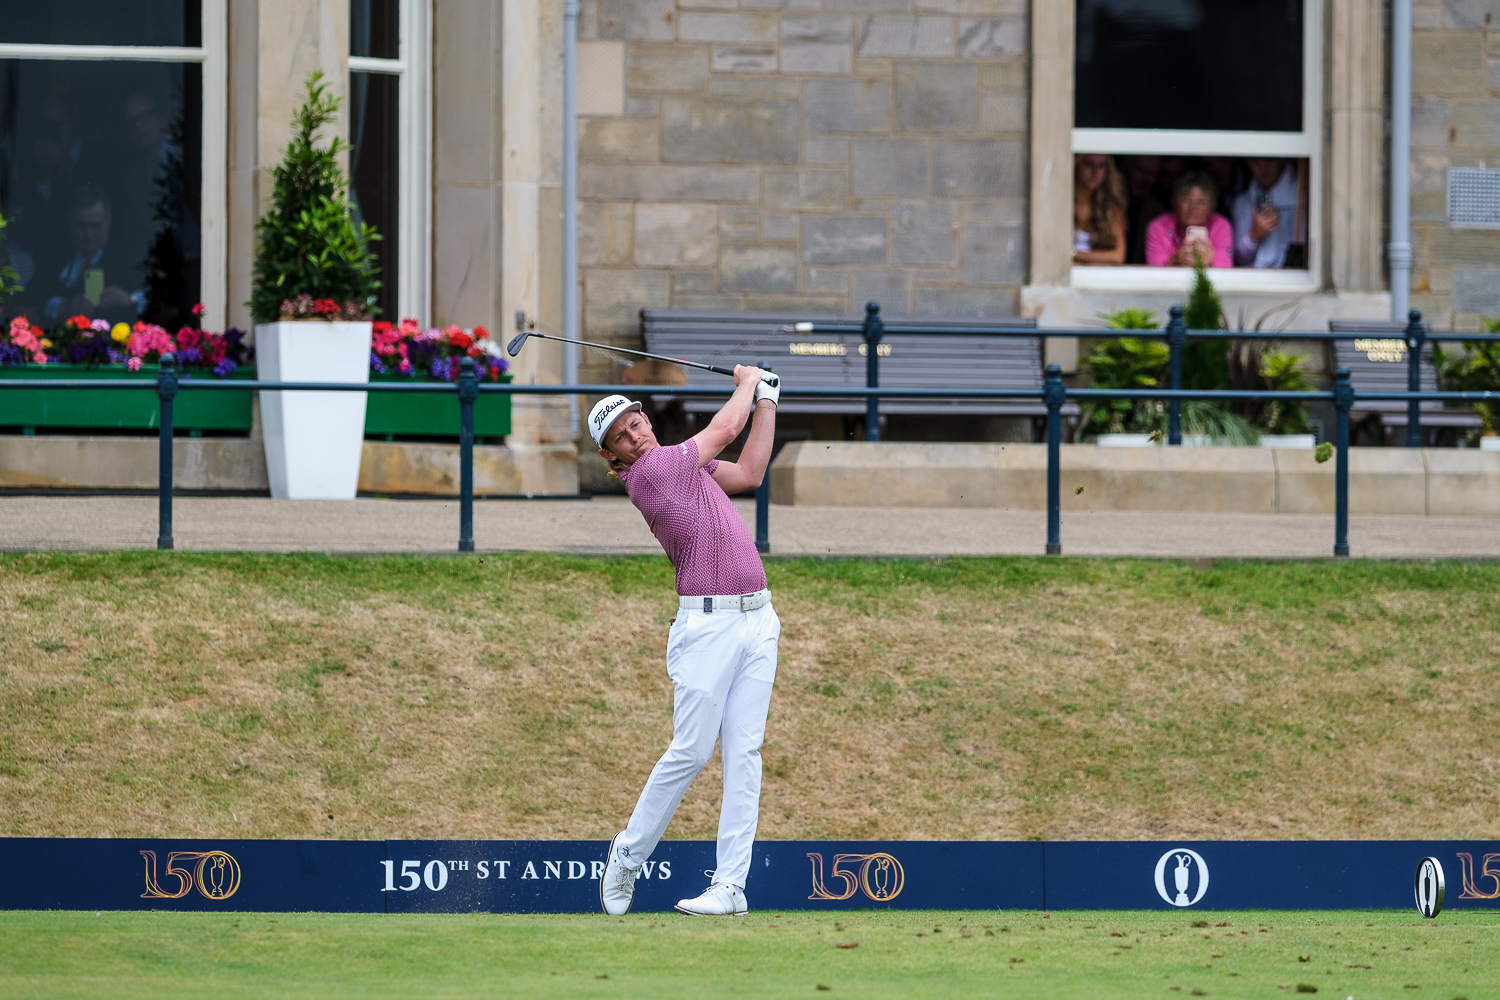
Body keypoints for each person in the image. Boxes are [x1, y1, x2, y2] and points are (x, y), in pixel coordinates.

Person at [595, 365, 782, 918]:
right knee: (693, 751)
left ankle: (730, 886)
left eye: (635, 423)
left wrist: (766, 402)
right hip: (706, 627)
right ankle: (628, 854)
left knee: (744, 754)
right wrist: (748, 381)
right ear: (614, 458)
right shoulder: (653, 471)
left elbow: (749, 471)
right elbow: (725, 429)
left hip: (757, 617)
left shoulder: (684, 464)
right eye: (621, 437)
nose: (635, 435)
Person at [41, 186, 139, 321]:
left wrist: (130, 299)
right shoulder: (56, 255)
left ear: (108, 223)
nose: (89, 235)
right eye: (81, 226)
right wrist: (65, 307)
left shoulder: (129, 257)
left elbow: (157, 298)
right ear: (70, 224)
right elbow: (36, 296)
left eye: (96, 226)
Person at [1145, 171, 1233, 268]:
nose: (1193, 208)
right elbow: (1153, 270)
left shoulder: (1221, 226)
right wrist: (1175, 260)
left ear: (1212, 206)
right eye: (1186, 200)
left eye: (1201, 202)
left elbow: (1226, 268)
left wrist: (1210, 262)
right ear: (1175, 202)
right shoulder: (1158, 227)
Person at [1232, 157, 1299, 268]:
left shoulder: (1302, 197)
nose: (1263, 168)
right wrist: (1254, 236)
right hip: (1256, 279)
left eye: (1269, 159)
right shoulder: (1243, 202)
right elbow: (1239, 259)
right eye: (1256, 162)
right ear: (1248, 163)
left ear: (1281, 159)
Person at [1072, 153, 1127, 265]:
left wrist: (1073, 254)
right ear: (1076, 165)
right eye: (1089, 164)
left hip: (1097, 278)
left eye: (1102, 165)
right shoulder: (1059, 205)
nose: (1095, 171)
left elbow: (1117, 256)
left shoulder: (1110, 211)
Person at [1121, 155, 1166, 265]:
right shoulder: (1108, 204)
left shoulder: (1158, 212)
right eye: (1140, 170)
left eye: (1152, 174)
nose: (1145, 179)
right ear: (1126, 169)